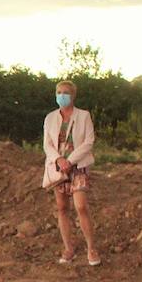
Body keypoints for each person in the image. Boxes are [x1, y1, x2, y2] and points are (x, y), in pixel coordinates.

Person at [42, 81, 100, 266]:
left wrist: (70, 160)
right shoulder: (50, 118)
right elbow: (47, 144)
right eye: (59, 92)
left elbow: (89, 141)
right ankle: (68, 248)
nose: (62, 96)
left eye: (65, 92)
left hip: (78, 166)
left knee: (81, 206)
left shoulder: (84, 116)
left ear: (73, 95)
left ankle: (91, 248)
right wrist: (59, 160)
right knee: (62, 207)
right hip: (58, 168)